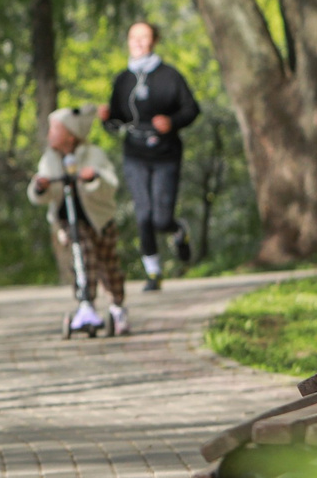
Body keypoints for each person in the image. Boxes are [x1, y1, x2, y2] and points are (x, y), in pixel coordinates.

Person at [100, 20, 202, 292]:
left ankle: (177, 229)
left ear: (154, 40)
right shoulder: (123, 80)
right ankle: (153, 272)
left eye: (144, 37)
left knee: (160, 218)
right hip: (135, 153)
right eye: (134, 37)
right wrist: (106, 118)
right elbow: (115, 121)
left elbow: (192, 109)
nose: (138, 42)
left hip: (166, 153)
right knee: (142, 214)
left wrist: (172, 122)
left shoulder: (170, 76)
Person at [27, 106, 128, 335]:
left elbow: (109, 184)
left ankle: (117, 306)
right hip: (69, 220)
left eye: (55, 129)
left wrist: (93, 178)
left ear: (70, 135)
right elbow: (43, 194)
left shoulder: (93, 154)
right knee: (83, 258)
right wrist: (41, 187)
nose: (50, 134)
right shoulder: (50, 159)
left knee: (109, 266)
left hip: (99, 220)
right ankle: (86, 303)